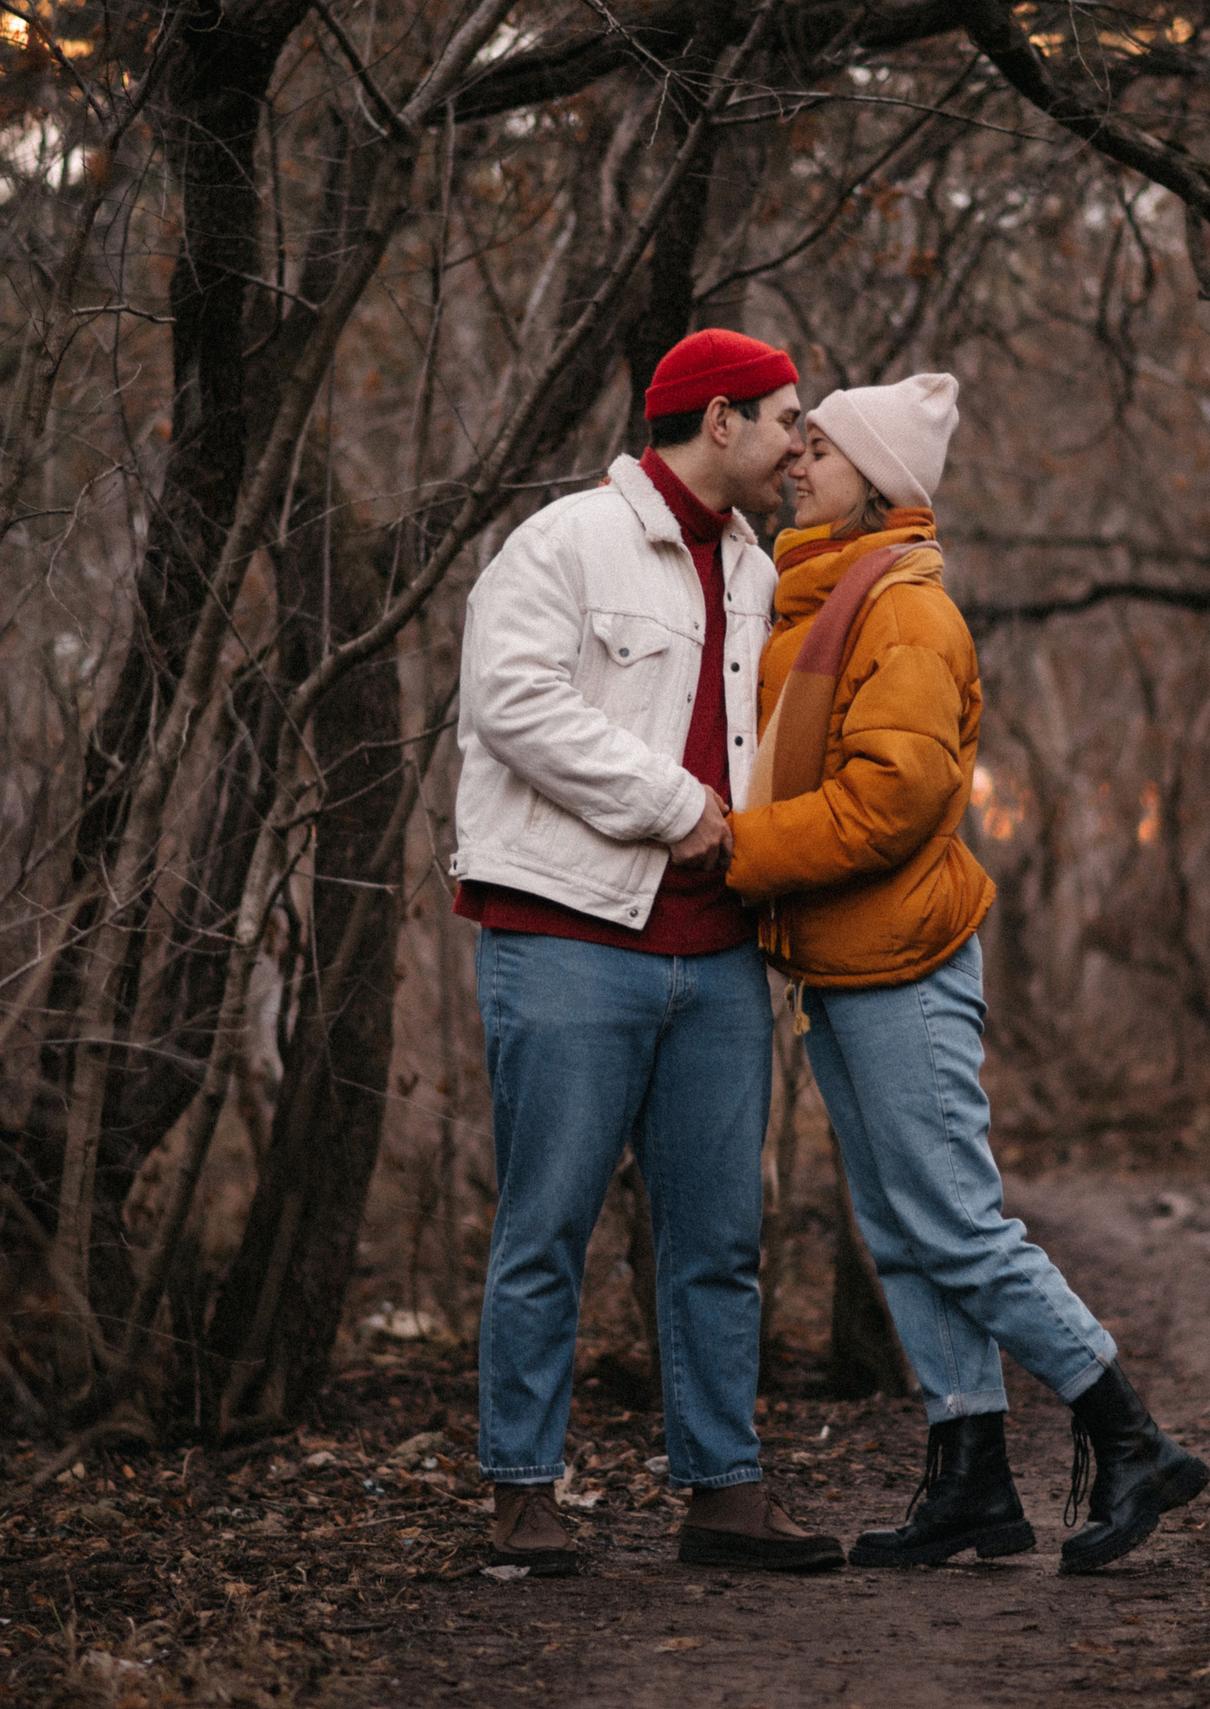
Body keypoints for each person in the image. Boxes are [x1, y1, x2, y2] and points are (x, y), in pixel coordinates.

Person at [724, 373, 1210, 1573]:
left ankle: (1130, 1436)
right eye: (802, 445)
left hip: (904, 955)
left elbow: (894, 796)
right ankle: (971, 1475)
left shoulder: (902, 610)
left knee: (952, 1219)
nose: (799, 465)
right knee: (901, 1227)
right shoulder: (823, 597)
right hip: (842, 958)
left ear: (878, 481)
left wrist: (739, 849)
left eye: (821, 450)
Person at [449, 328, 844, 1576]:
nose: (799, 443)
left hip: (719, 954)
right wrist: (673, 806)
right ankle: (522, 1492)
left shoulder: (756, 566)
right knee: (547, 1224)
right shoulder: (563, 542)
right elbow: (511, 702)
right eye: (784, 417)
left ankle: (724, 1492)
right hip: (566, 935)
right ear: (719, 419)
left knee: (721, 1237)